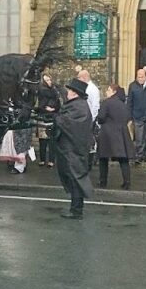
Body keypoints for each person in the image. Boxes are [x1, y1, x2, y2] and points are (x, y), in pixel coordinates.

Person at [54, 79, 95, 219]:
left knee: (76, 177)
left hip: (74, 149)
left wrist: (57, 118)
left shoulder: (79, 106)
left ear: (76, 93)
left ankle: (76, 210)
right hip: (70, 148)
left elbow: (68, 123)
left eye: (71, 90)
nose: (68, 92)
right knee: (73, 177)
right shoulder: (75, 105)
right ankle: (75, 208)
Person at [96, 84, 134, 189]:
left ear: (114, 92)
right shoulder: (123, 104)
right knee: (123, 159)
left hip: (107, 133)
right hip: (121, 132)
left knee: (103, 158)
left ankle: (103, 181)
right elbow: (127, 117)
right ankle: (127, 182)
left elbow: (101, 117)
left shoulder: (106, 102)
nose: (106, 92)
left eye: (108, 90)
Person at [36, 74, 60, 168]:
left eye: (49, 80)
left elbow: (58, 105)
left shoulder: (54, 92)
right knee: (42, 141)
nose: (49, 82)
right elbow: (39, 106)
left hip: (52, 118)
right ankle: (42, 160)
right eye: (46, 80)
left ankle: (51, 160)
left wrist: (53, 109)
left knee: (52, 141)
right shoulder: (41, 92)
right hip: (43, 118)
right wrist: (45, 109)